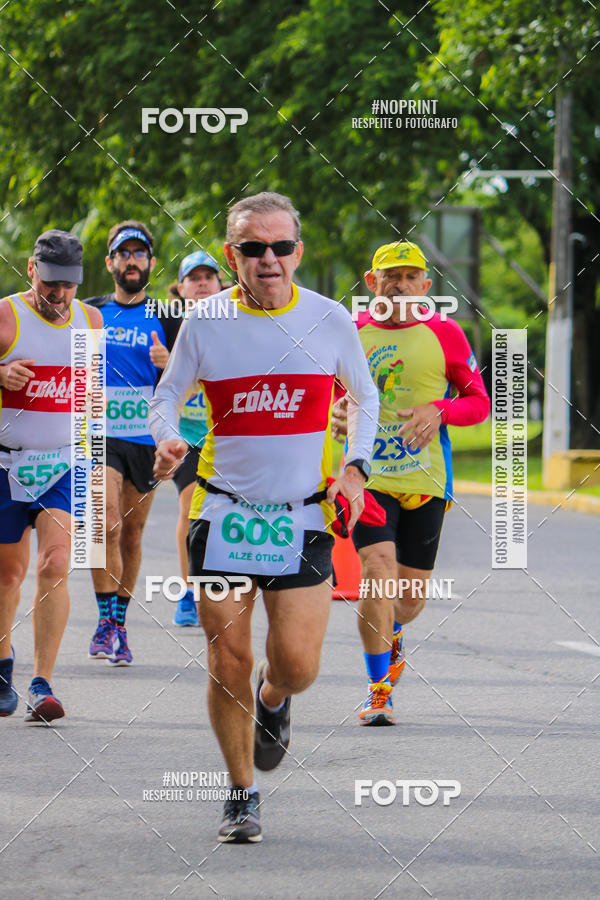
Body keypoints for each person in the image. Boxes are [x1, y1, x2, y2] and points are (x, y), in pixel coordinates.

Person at [149, 192, 379, 842]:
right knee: (228, 655)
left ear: (297, 252)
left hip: (302, 516)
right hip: (222, 511)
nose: (268, 259)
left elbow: (365, 396)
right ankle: (241, 792)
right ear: (233, 255)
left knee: (298, 666)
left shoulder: (329, 318)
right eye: (254, 248)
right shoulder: (206, 320)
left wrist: (356, 468)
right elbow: (167, 396)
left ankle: (272, 699)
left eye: (280, 246)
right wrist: (167, 438)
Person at [333, 240, 490, 726]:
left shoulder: (445, 333)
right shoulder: (349, 332)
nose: (400, 286)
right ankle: (378, 688)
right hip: (367, 478)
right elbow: (324, 396)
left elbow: (479, 402)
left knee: (409, 599)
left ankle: (394, 631)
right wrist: (333, 414)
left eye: (409, 277)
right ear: (371, 282)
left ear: (425, 285)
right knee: (377, 569)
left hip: (427, 480)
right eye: (390, 276)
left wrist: (439, 409)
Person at [0, 229, 102, 721]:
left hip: (63, 463)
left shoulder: (91, 321)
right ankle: (3, 665)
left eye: (69, 284)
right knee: (7, 574)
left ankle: (42, 684)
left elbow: (90, 394)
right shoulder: (6, 317)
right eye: (51, 283)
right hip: (6, 462)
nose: (59, 294)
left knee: (55, 563)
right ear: (31, 270)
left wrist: (94, 457)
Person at [85, 221, 179, 665]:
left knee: (132, 533)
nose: (132, 261)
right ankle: (105, 622)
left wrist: (168, 362)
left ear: (151, 263)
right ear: (110, 263)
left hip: (146, 436)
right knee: (105, 523)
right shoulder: (90, 312)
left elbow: (190, 380)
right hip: (99, 433)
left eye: (139, 253)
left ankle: (119, 625)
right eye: (123, 254)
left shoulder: (168, 316)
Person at [170, 250, 221, 627]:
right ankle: (188, 592)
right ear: (181, 288)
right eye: (194, 278)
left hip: (227, 437)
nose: (202, 284)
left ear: (221, 285)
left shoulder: (235, 324)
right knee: (190, 505)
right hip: (187, 437)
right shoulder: (171, 326)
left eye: (208, 277)